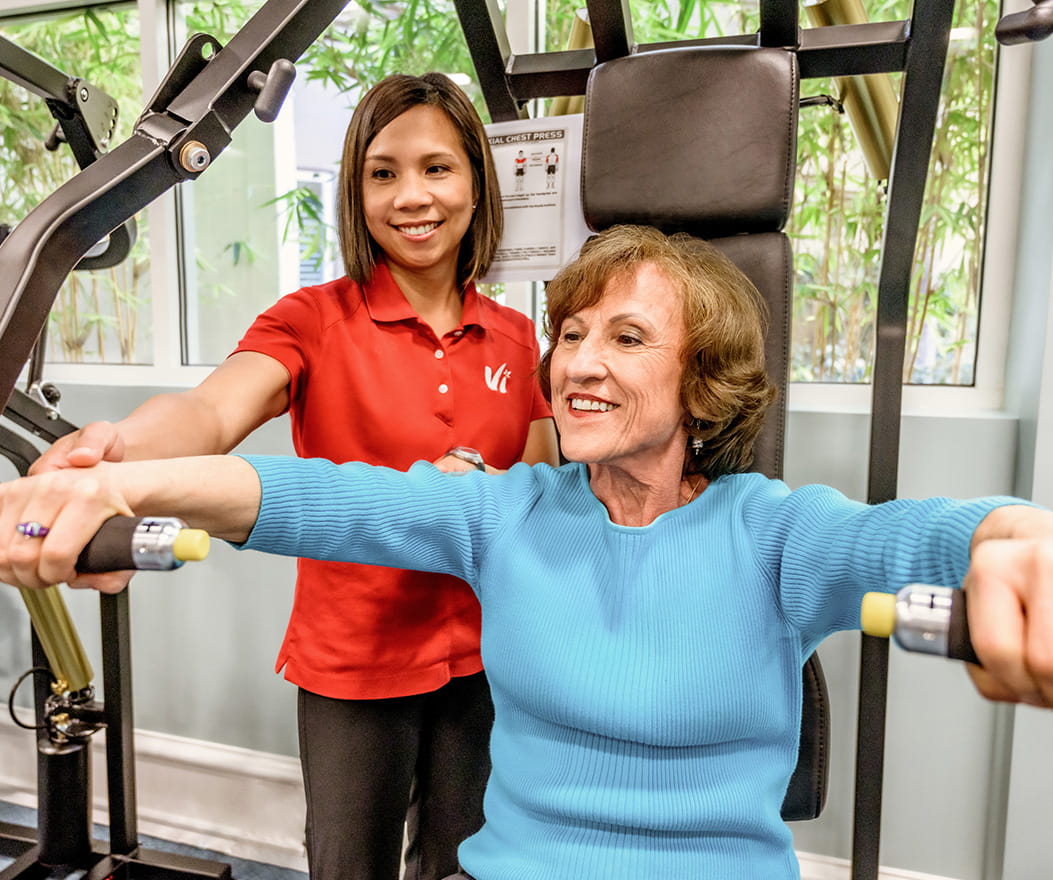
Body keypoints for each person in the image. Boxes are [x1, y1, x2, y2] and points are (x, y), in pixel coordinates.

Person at [3, 224, 1053, 879]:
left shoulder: (774, 532)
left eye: (627, 339)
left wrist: (1017, 538)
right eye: (572, 333)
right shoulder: (504, 512)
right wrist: (116, 480)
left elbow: (909, 537)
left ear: (703, 383)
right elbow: (310, 498)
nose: (579, 364)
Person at [27, 73, 559, 880]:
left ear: (478, 185)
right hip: (356, 661)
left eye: (437, 168)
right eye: (383, 173)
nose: (411, 195)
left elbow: (542, 479)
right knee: (348, 868)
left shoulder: (519, 338)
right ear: (356, 190)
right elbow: (210, 413)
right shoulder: (312, 320)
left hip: (485, 657)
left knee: (469, 866)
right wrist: (121, 449)